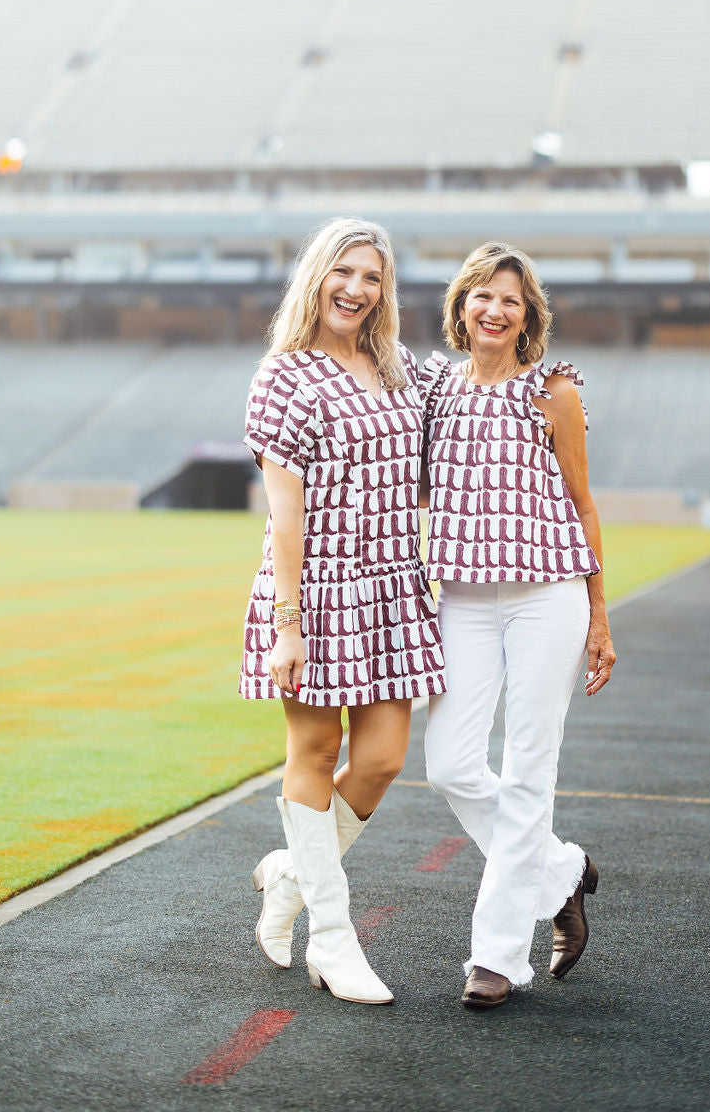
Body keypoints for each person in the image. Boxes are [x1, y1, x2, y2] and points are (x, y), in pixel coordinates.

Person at [241, 217, 446, 1006]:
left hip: (392, 586)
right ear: (317, 276)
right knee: (316, 749)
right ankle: (333, 939)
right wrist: (288, 626)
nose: (356, 289)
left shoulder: (395, 369)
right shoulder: (284, 376)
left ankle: (292, 875)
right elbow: (284, 517)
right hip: (316, 588)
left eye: (372, 278)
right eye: (345, 272)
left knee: (387, 755)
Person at [421, 241, 616, 1009]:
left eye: (511, 300)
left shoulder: (553, 391)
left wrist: (600, 614)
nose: (496, 310)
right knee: (450, 765)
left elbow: (584, 504)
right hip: (464, 597)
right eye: (482, 296)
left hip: (549, 596)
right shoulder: (435, 388)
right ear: (461, 307)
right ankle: (561, 870)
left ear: (527, 314)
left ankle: (497, 959)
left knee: (531, 768)